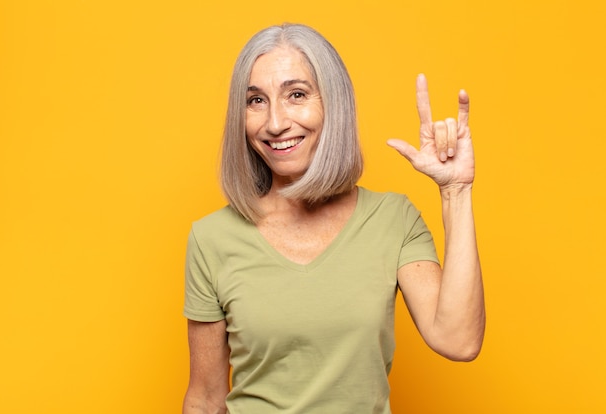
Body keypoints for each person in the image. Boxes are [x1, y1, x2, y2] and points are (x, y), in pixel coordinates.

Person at [182, 23, 485, 414]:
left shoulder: (392, 219)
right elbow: (205, 400)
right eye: (255, 100)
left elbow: (458, 340)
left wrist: (456, 191)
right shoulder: (212, 239)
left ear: (334, 102)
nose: (275, 123)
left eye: (296, 95)